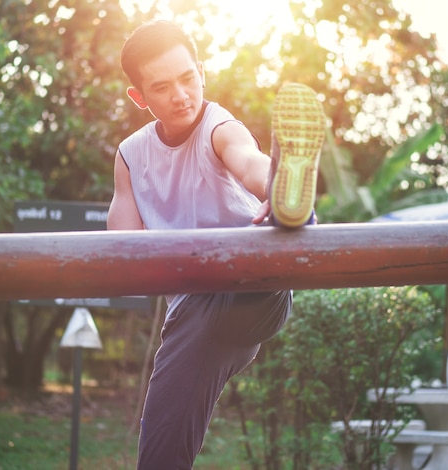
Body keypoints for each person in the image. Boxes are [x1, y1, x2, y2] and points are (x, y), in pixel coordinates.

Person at [107, 19, 326, 469]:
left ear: (202, 71)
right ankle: (282, 209)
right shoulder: (130, 156)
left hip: (255, 285)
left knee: (263, 235)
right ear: (139, 98)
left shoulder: (218, 124)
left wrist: (272, 183)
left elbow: (246, 161)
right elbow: (122, 249)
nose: (182, 95)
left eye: (189, 78)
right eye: (163, 87)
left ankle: (287, 196)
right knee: (161, 448)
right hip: (195, 317)